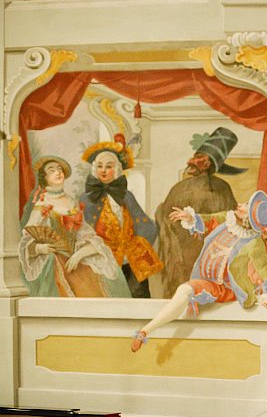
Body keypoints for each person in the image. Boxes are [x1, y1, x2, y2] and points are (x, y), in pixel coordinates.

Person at [132, 190, 267, 352]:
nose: (240, 205)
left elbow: (265, 268)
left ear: (250, 217)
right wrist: (191, 218)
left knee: (185, 290)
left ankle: (145, 331)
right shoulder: (228, 219)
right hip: (205, 278)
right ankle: (144, 331)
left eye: (245, 206)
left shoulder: (254, 243)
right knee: (184, 290)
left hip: (224, 287)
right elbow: (210, 219)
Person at [18, 155, 131, 298]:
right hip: (53, 263)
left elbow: (85, 234)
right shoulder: (42, 204)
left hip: (75, 259)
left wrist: (79, 254)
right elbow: (27, 239)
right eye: (51, 171)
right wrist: (40, 248)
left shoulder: (71, 202)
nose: (58, 172)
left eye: (59, 169)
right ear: (44, 178)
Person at [155, 127, 245, 298]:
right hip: (179, 250)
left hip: (210, 250)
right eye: (194, 157)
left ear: (208, 164)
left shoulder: (221, 188)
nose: (191, 161)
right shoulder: (180, 188)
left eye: (199, 159)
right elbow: (165, 216)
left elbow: (229, 221)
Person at [79, 136, 163, 298]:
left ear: (116, 170)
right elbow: (80, 230)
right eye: (100, 166)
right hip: (102, 259)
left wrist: (139, 245)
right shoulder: (85, 199)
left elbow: (144, 223)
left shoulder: (126, 196)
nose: (103, 170)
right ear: (95, 169)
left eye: (108, 166)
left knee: (138, 295)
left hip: (130, 257)